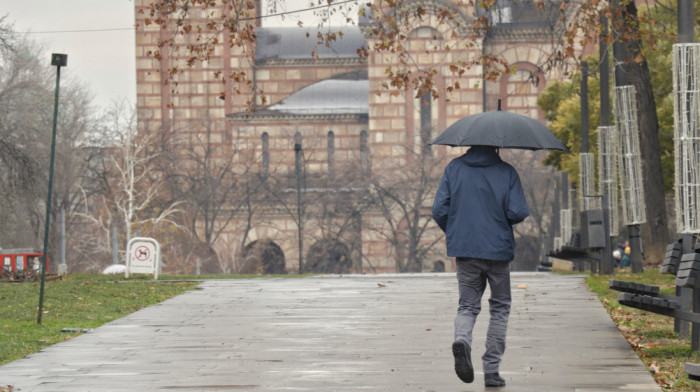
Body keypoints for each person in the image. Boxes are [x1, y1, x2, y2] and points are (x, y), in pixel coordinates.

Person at [432, 145, 529, 388]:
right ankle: (492, 371)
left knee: (467, 306)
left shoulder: (453, 169)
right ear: (496, 145)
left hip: (465, 250)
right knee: (500, 308)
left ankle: (462, 341)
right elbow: (518, 211)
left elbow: (438, 210)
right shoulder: (506, 172)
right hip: (497, 250)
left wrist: (456, 230)